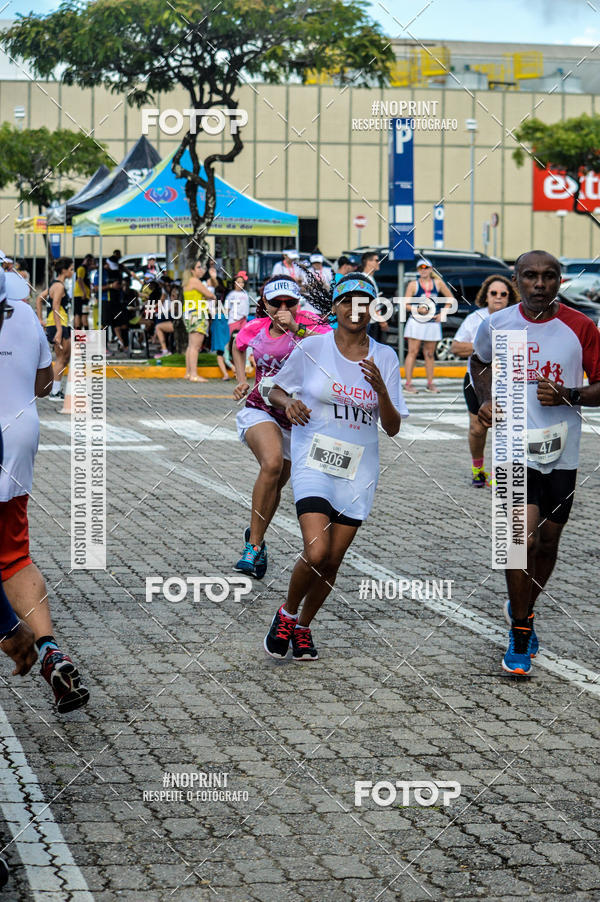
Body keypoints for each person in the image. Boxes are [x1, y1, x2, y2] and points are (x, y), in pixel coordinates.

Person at [265, 272, 408, 661]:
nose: (354, 309)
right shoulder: (313, 347)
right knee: (316, 551)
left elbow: (392, 428)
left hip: (359, 470)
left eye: (364, 303)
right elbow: (273, 388)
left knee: (332, 560)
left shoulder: (386, 357)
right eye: (347, 301)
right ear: (336, 307)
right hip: (315, 459)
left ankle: (305, 627)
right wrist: (286, 403)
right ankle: (287, 614)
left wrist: (381, 391)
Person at [471, 250, 600, 676]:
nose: (539, 284)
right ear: (516, 280)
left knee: (547, 544)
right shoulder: (498, 322)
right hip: (510, 447)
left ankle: (521, 603)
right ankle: (521, 630)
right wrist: (486, 399)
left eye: (548, 276)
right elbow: (478, 362)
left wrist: (571, 395)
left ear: (559, 281)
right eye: (530, 276)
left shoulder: (580, 326)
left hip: (561, 451)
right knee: (517, 540)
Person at [0, 271, 89, 711]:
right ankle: (51, 649)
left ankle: (17, 636)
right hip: (18, 439)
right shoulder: (25, 316)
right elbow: (43, 387)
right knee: (14, 555)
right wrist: (60, 356)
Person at [232, 276, 330, 579]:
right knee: (272, 463)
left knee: (276, 483)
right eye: (276, 303)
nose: (283, 308)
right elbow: (237, 345)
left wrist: (294, 328)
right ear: (265, 304)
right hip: (261, 408)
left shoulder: (311, 324)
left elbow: (328, 344)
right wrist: (241, 378)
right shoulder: (255, 329)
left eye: (290, 302)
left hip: (297, 419)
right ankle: (254, 546)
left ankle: (257, 535)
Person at [451, 274, 518, 486]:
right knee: (478, 428)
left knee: (506, 429)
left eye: (503, 294)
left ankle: (505, 473)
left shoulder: (516, 318)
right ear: (486, 296)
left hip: (508, 383)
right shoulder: (474, 319)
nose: (498, 297)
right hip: (477, 382)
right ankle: (478, 470)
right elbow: (456, 347)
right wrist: (485, 345)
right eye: (494, 293)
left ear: (509, 297)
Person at [403, 258, 454, 394]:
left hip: (432, 322)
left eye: (426, 267)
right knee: (413, 352)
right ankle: (408, 383)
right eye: (421, 268)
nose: (423, 270)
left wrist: (443, 312)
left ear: (431, 269)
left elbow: (450, 299)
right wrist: (417, 309)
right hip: (416, 321)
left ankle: (430, 383)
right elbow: (405, 304)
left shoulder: (437, 283)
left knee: (430, 354)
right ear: (418, 270)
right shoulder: (413, 284)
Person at [37, 256, 74, 401]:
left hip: (57, 324)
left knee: (64, 358)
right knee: (61, 359)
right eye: (71, 269)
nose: (72, 272)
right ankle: (53, 391)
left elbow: (40, 298)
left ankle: (56, 390)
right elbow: (55, 307)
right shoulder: (59, 286)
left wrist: (40, 319)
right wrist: (59, 330)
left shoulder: (55, 284)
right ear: (64, 270)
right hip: (59, 325)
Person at [183, 259, 215, 382]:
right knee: (195, 346)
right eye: (198, 267)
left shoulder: (187, 282)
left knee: (191, 345)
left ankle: (188, 372)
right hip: (197, 314)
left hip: (189, 313)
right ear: (192, 270)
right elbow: (210, 294)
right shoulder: (195, 281)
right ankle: (194, 375)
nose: (201, 269)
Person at [208, 264, 234, 380]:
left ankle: (227, 373)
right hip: (225, 320)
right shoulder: (226, 293)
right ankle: (232, 370)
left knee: (220, 350)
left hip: (218, 321)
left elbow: (211, 308)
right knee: (225, 348)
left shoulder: (212, 294)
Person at [73, 253, 93, 329]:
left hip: (85, 296)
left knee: (84, 314)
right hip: (79, 295)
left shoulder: (86, 269)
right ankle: (78, 333)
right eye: (91, 262)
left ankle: (84, 333)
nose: (91, 264)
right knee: (78, 314)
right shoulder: (81, 268)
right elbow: (79, 280)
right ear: (88, 260)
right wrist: (84, 292)